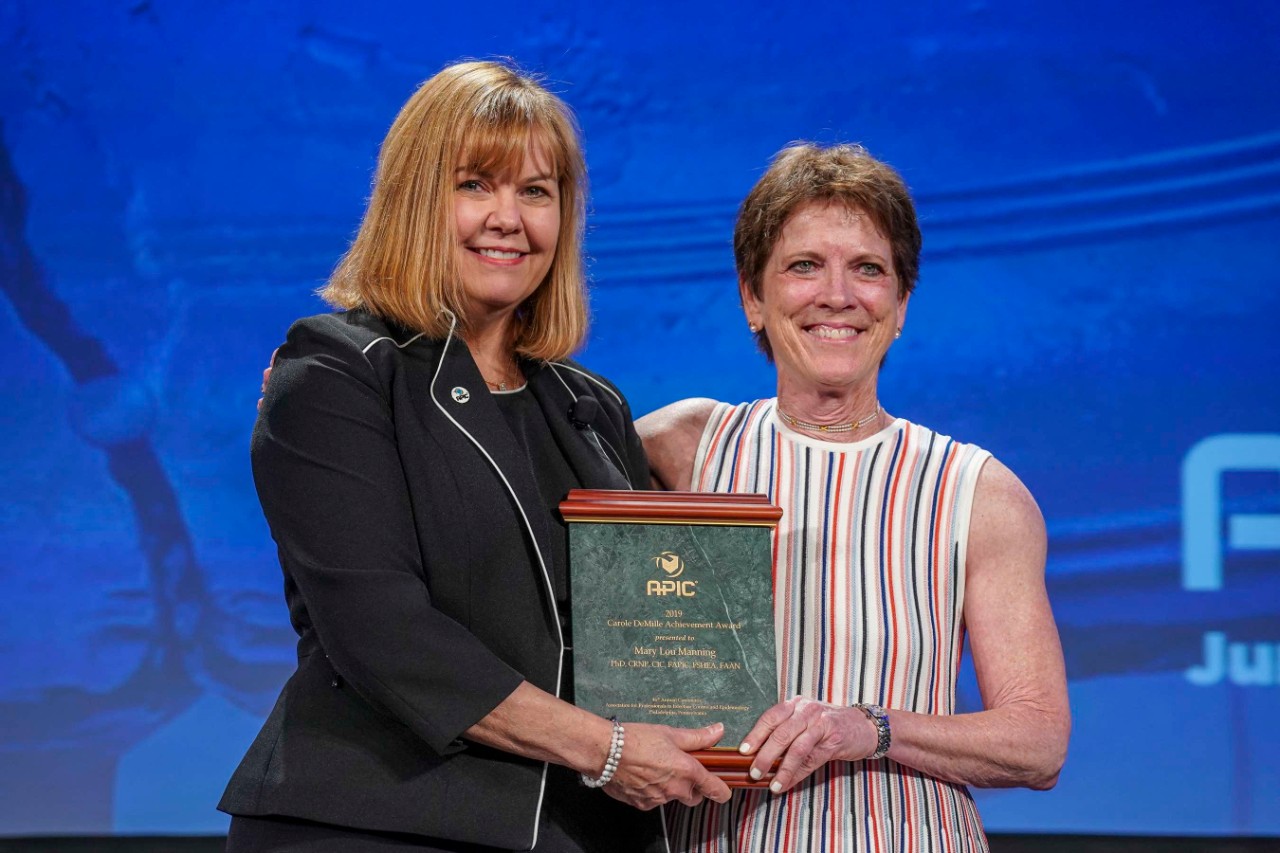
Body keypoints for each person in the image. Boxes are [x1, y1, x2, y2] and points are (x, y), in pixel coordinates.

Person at [219, 60, 732, 853]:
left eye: (536, 191)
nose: (508, 218)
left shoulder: (590, 406)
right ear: (414, 200)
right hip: (378, 823)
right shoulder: (336, 373)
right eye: (474, 185)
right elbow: (382, 632)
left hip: (579, 828)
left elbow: (646, 636)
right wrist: (608, 750)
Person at [639, 143, 1071, 851]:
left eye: (868, 269)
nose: (837, 294)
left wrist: (866, 727)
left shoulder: (976, 491)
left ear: (900, 305)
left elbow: (1037, 739)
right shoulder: (681, 449)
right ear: (753, 295)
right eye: (804, 265)